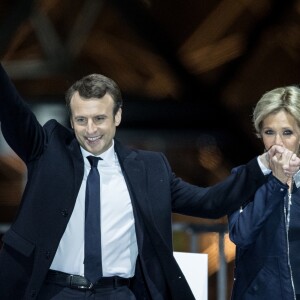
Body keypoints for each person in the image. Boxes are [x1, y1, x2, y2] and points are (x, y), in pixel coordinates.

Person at [0, 63, 298, 300]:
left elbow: (210, 203)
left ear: (117, 116)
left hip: (119, 293)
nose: (90, 129)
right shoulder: (48, 149)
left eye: (100, 119)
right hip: (54, 291)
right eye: (81, 120)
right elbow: (11, 109)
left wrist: (262, 165)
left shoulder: (149, 168)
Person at [228, 86, 300, 300]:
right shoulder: (242, 178)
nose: (277, 143)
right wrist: (276, 183)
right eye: (269, 132)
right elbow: (241, 234)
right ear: (260, 133)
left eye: (287, 132)